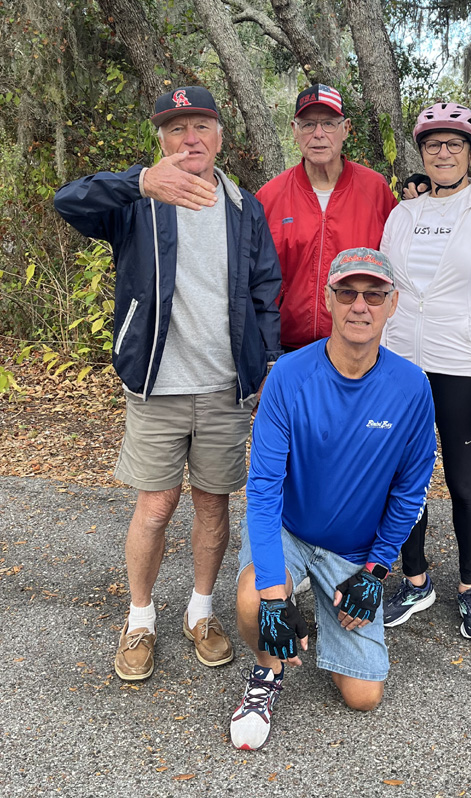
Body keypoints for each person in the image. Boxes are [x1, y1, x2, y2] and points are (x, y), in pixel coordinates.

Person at [54, 86, 282, 680]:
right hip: (157, 386)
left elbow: (265, 289)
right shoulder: (139, 200)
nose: (190, 138)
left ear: (219, 137)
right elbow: (68, 201)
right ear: (161, 140)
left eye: (201, 126)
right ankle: (140, 618)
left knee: (212, 505)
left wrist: (262, 363)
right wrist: (139, 182)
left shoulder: (243, 206)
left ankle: (200, 612)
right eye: (176, 128)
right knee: (155, 506)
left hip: (224, 388)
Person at [230, 248, 436, 750]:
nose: (359, 306)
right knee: (253, 601)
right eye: (347, 293)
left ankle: (326, 605)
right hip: (292, 531)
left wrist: (377, 571)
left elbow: (410, 493)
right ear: (328, 299)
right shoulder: (288, 376)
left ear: (392, 304)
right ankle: (267, 672)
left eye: (374, 295)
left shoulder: (412, 388)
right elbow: (263, 490)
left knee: (363, 697)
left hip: (353, 552)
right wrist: (274, 597)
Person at [379, 103, 471, 641]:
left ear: (470, 151)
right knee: (403, 481)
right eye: (433, 145)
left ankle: (470, 587)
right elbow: (385, 292)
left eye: (454, 144)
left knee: (464, 482)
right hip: (402, 367)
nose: (443, 153)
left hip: (465, 368)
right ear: (421, 153)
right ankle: (416, 580)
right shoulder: (403, 215)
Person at [256, 84, 397, 350]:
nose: (318, 134)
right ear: (294, 130)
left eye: (329, 124)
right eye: (308, 124)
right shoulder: (269, 197)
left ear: (346, 129)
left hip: (359, 346)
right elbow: (254, 281)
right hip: (286, 348)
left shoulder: (376, 190)